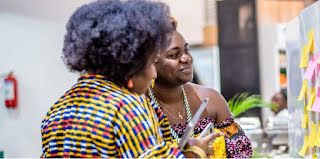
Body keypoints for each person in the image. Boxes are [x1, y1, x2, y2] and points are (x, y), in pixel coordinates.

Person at [41, 0, 220, 158]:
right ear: (131, 65)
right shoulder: (126, 108)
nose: (153, 74)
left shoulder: (57, 110)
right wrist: (197, 153)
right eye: (151, 63)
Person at [148, 19, 253, 158]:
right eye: (173, 55)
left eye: (187, 50)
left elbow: (241, 154)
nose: (186, 59)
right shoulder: (139, 107)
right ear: (149, 62)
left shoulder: (211, 99)